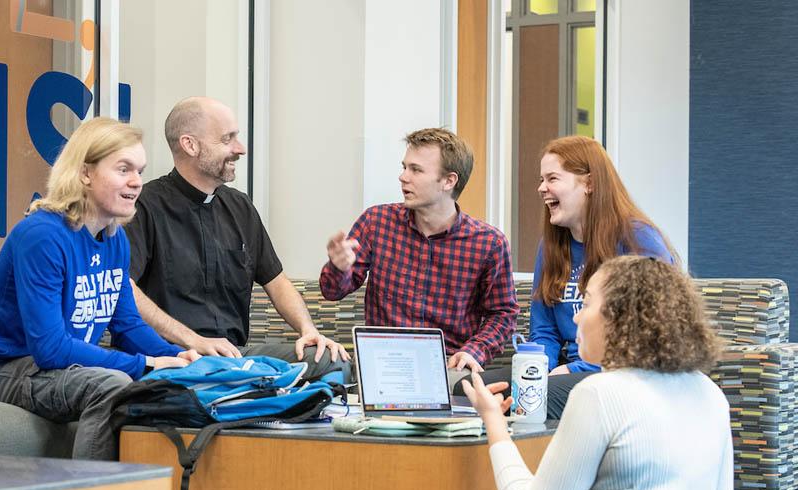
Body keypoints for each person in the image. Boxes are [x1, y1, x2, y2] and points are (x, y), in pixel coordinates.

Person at [168, 256, 797, 490]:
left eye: (590, 306)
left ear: (625, 320)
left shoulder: (603, 396)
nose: (577, 319)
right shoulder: (706, 394)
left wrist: (495, 425)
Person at [0, 117, 199, 460]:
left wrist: (179, 359)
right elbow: (49, 349)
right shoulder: (42, 236)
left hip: (57, 371)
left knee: (181, 383)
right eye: (123, 169)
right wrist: (145, 364)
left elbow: (127, 326)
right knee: (112, 386)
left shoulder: (115, 239)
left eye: (139, 171)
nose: (136, 182)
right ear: (85, 173)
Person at [124, 97, 349, 381]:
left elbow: (276, 281)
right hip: (174, 357)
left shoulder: (240, 207)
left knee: (331, 360)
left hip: (236, 356)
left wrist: (309, 331)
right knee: (204, 374)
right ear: (190, 145)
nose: (240, 149)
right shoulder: (143, 206)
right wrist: (193, 340)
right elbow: (123, 287)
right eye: (227, 139)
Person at [482, 134, 677, 418]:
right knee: (472, 390)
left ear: (589, 183)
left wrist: (574, 370)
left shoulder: (638, 239)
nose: (541, 188)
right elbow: (544, 330)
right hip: (567, 368)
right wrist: (539, 369)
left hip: (622, 373)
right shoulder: (551, 246)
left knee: (533, 401)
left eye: (552, 179)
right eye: (541, 180)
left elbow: (650, 334)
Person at [320, 128, 518, 389]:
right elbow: (332, 292)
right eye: (404, 167)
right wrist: (338, 267)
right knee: (326, 374)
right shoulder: (376, 222)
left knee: (463, 388)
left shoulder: (488, 243)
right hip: (381, 363)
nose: (403, 177)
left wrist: (474, 351)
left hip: (446, 367)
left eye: (416, 170)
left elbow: (503, 314)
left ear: (448, 181)